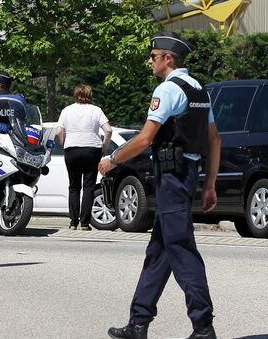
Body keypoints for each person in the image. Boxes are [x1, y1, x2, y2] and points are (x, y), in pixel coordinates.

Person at [99, 32, 221, 339]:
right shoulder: (199, 90)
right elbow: (214, 139)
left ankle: (203, 327)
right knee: (159, 251)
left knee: (181, 249)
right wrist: (209, 185)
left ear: (168, 59)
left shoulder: (167, 90)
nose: (150, 61)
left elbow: (144, 138)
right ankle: (138, 322)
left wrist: (113, 159)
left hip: (172, 177)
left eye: (154, 56)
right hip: (187, 173)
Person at [56, 84, 112, 231]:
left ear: (75, 95)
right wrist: (104, 147)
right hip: (92, 149)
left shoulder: (66, 110)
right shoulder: (96, 110)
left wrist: (64, 146)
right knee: (89, 187)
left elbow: (58, 133)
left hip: (72, 149)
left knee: (74, 186)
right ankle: (85, 223)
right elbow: (108, 130)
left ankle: (72, 222)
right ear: (90, 95)